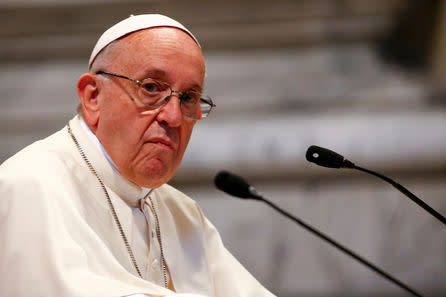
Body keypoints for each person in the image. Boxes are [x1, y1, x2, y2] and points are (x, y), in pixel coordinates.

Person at [0, 14, 276, 297]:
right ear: (93, 97)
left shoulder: (181, 212)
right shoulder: (30, 185)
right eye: (152, 88)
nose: (173, 117)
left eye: (189, 98)